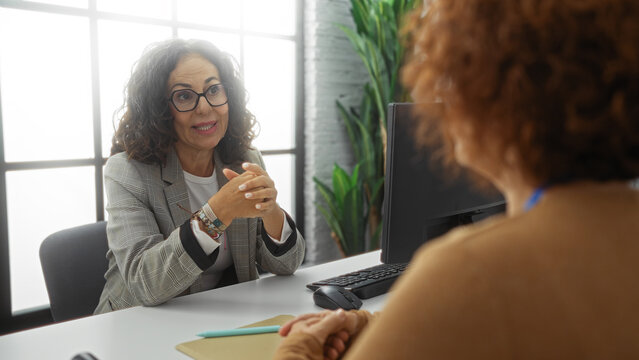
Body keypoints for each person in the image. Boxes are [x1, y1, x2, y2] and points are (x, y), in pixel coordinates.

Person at [275, 0, 639, 358]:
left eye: (456, 75)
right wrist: (383, 326)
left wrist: (297, 349)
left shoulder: (472, 270)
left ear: (499, 96)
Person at [95, 39, 305, 314]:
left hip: (221, 318)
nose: (205, 108)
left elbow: (287, 265)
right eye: (184, 96)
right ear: (159, 110)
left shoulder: (244, 160)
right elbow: (145, 283)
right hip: (137, 323)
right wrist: (217, 213)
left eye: (214, 90)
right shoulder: (128, 171)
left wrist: (270, 209)